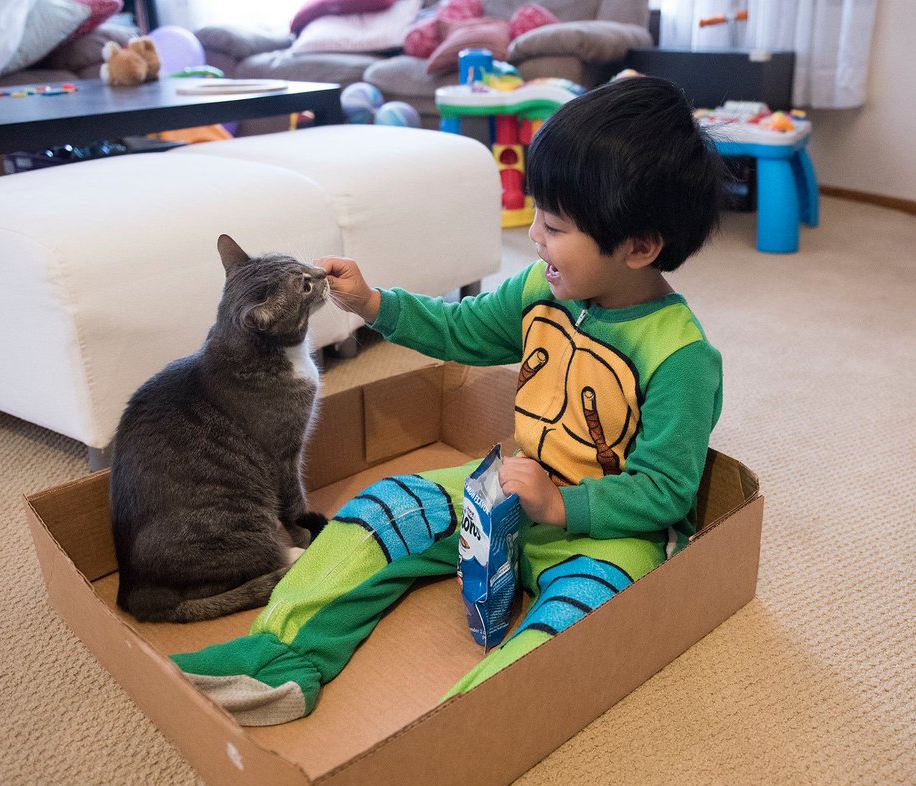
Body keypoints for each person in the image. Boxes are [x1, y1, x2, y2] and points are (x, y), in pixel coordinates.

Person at [170, 76, 727, 726]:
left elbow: (666, 491)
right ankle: (282, 656)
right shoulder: (538, 287)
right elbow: (464, 330)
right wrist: (376, 305)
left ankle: (456, 733)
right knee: (380, 508)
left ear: (639, 247)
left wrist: (562, 504)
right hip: (511, 494)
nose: (535, 239)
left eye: (552, 226)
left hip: (608, 535)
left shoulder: (682, 356)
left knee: (575, 624)